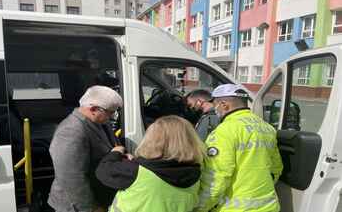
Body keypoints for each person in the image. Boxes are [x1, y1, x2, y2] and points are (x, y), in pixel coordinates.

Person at [195, 84, 283, 212]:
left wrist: (199, 207)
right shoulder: (267, 128)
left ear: (224, 105)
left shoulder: (224, 132)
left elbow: (215, 178)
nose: (215, 109)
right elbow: (276, 168)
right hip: (269, 207)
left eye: (215, 105)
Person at [95, 115, 205, 212]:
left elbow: (103, 171)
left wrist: (116, 152)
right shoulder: (195, 173)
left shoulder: (136, 172)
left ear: (153, 140)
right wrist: (137, 162)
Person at [48, 85, 123, 212]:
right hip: (76, 205)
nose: (112, 117)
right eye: (110, 112)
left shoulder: (98, 121)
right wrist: (91, 208)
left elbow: (112, 144)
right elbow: (72, 178)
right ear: (93, 109)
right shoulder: (71, 131)